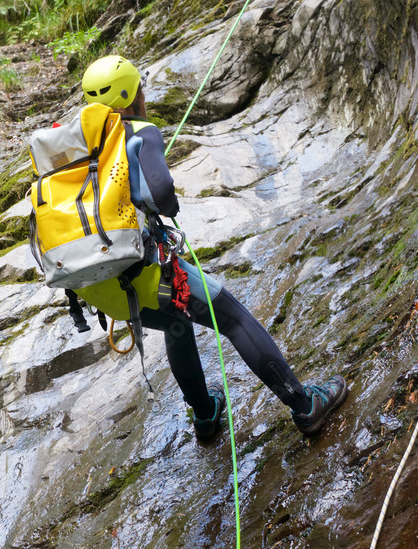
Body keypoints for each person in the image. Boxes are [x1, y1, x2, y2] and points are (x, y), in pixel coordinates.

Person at [75, 55, 348, 440]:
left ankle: (206, 414)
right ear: (131, 95)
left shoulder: (73, 147)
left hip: (96, 286)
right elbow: (163, 191)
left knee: (175, 322)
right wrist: (167, 209)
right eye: (141, 89)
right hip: (143, 274)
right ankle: (306, 406)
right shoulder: (140, 130)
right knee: (233, 318)